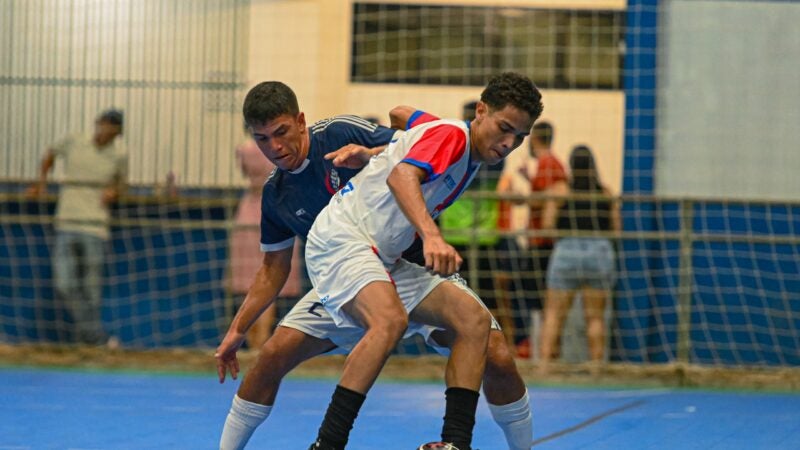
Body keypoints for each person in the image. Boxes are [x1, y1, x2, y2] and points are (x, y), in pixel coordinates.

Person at [216, 79, 538, 450]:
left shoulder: (341, 133)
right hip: (344, 251)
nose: (275, 146)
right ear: (481, 112)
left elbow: (403, 120)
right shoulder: (276, 194)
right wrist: (237, 331)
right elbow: (274, 268)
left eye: (281, 132)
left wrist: (372, 152)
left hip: (399, 263)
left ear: (301, 121)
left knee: (482, 333)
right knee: (277, 353)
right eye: (263, 139)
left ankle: (457, 444)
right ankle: (322, 443)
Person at [27, 109, 127, 346]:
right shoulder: (74, 140)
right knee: (64, 284)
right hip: (67, 222)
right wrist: (41, 183)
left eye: (114, 129)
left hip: (96, 227)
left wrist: (114, 191)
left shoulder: (120, 153)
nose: (108, 131)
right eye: (105, 125)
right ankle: (96, 338)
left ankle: (87, 343)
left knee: (92, 291)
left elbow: (122, 183)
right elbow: (50, 154)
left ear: (118, 133)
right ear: (97, 123)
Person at [539, 145, 620, 370]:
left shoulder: (561, 191)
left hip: (567, 249)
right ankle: (596, 366)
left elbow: (547, 225)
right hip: (600, 251)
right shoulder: (606, 192)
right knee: (595, 317)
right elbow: (616, 229)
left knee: (554, 313)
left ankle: (545, 365)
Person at [227, 127, 304, 348]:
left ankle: (251, 343)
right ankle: (260, 344)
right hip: (278, 210)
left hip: (248, 211)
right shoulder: (283, 149)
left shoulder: (244, 150)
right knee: (269, 285)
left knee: (248, 287)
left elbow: (246, 173)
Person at [438, 100, 501, 322]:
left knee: (479, 301)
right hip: (474, 236)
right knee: (478, 300)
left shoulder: (457, 154)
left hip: (463, 235)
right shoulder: (493, 156)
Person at [516, 121, 568, 358]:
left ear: (535, 138)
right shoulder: (550, 165)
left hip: (542, 243)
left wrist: (520, 199)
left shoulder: (549, 164)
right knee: (537, 299)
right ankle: (542, 350)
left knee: (541, 300)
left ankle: (544, 353)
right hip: (540, 242)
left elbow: (545, 201)